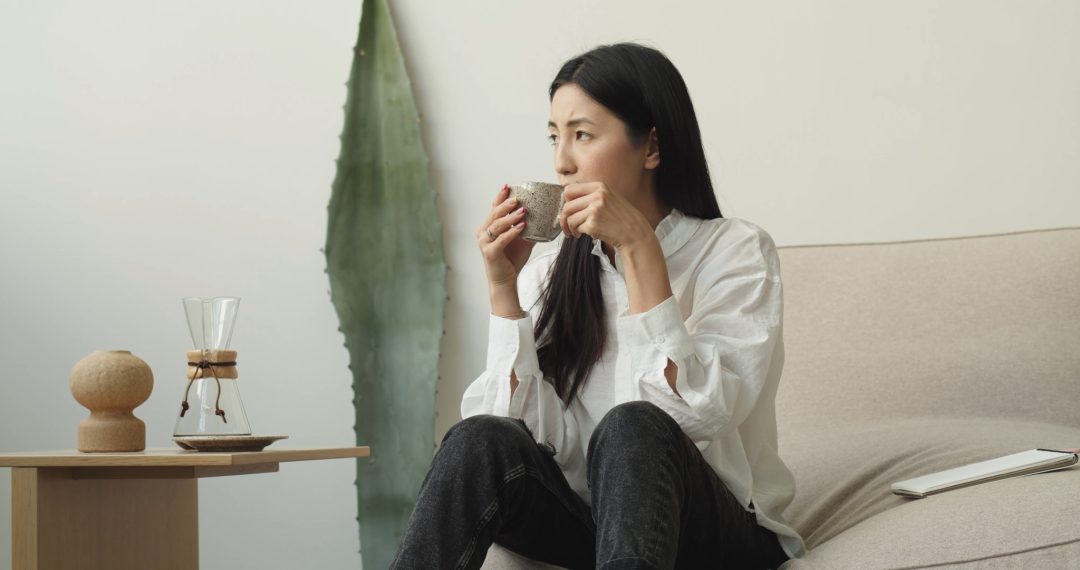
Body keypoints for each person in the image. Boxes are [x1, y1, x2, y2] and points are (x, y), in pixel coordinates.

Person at [391, 42, 804, 570]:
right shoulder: (551, 269)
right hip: (595, 529)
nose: (562, 162)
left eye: (582, 135)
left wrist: (639, 251)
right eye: (554, 136)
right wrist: (504, 292)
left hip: (717, 531)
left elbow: (701, 412)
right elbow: (522, 439)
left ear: (651, 146)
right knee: (479, 437)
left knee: (633, 424)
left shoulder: (736, 251)